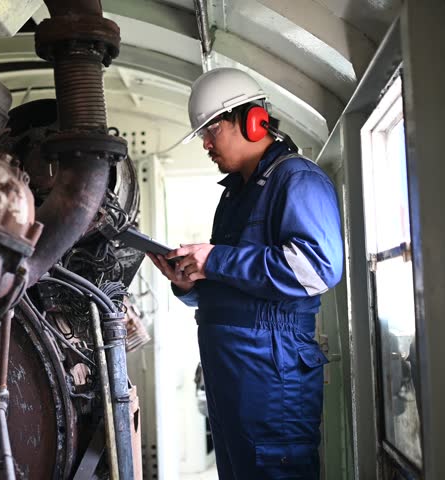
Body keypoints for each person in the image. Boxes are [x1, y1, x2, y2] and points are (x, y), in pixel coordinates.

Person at [147, 67, 344, 479]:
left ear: (252, 121)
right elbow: (239, 286)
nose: (205, 143)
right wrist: (190, 284)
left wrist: (215, 260)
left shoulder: (297, 179)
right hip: (232, 376)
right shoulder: (236, 194)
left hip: (271, 377)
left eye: (211, 130)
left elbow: (316, 269)